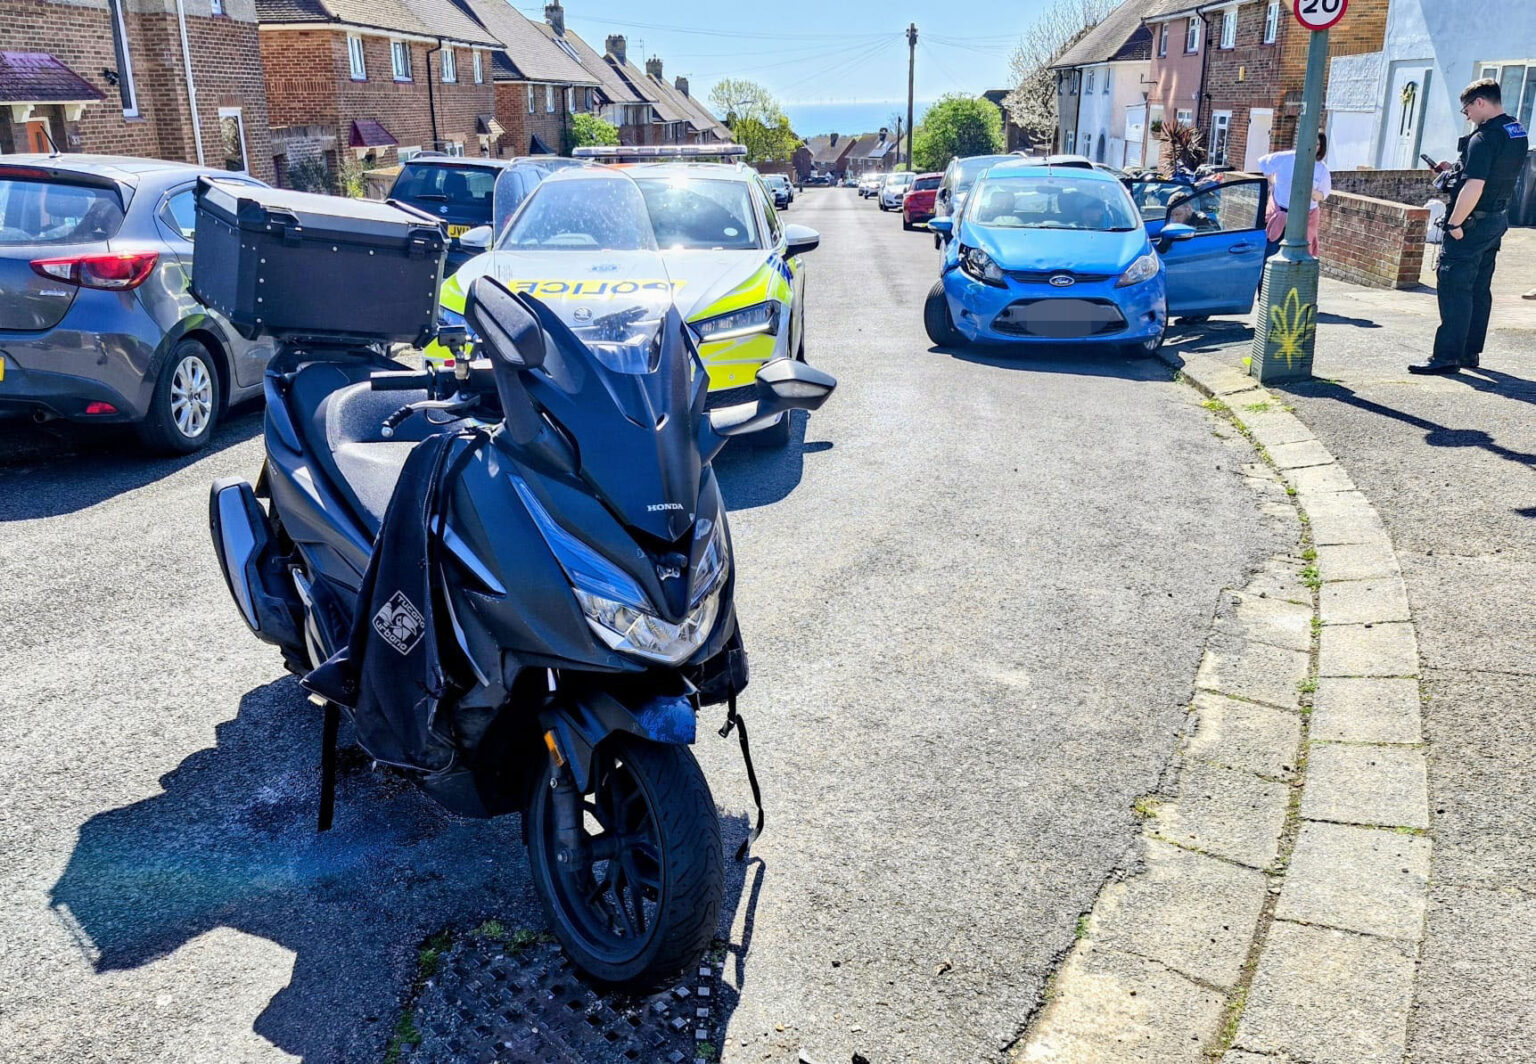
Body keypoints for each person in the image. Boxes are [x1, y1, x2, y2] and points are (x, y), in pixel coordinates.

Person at [1411, 79, 1529, 373]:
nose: (1467, 117)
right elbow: (1488, 174)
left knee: (1454, 286)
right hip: (1496, 219)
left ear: (1480, 103)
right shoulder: (1515, 131)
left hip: (1472, 223)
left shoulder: (1484, 138)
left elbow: (1475, 185)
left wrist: (1454, 225)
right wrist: (1453, 172)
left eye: (1467, 110)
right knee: (1479, 288)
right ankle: (1468, 353)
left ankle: (1446, 356)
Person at [1258, 132, 1331, 259]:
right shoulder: (1286, 158)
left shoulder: (1321, 169)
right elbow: (1264, 163)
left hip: (1305, 218)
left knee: (1300, 257)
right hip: (1280, 211)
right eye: (1310, 142)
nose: (1312, 147)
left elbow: (1323, 195)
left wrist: (1313, 192)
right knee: (1271, 252)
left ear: (1321, 147)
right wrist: (1273, 182)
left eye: (1317, 144)